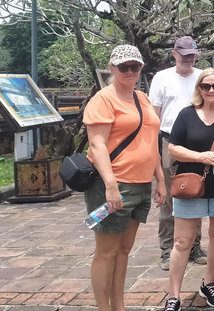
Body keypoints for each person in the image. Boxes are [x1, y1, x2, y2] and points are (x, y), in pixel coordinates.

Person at [84, 45, 166, 311]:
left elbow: (151, 142)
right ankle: (103, 308)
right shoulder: (104, 99)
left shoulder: (141, 98)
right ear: (112, 68)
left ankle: (118, 305)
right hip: (114, 182)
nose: (130, 71)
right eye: (124, 67)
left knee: (124, 249)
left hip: (141, 183)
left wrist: (160, 180)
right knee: (106, 250)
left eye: (135, 67)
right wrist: (110, 185)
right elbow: (97, 146)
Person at [163, 69, 214, 311]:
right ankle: (173, 295)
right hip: (191, 185)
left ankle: (209, 283)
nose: (211, 90)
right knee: (183, 241)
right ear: (199, 89)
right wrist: (201, 156)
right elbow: (173, 148)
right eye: (206, 86)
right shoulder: (186, 115)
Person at [149, 36, 206, 270]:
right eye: (184, 55)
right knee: (168, 195)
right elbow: (154, 117)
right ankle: (167, 247)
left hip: (197, 142)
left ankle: (195, 244)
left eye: (192, 55)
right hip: (168, 140)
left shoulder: (202, 77)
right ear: (174, 54)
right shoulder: (162, 78)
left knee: (197, 191)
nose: (188, 59)